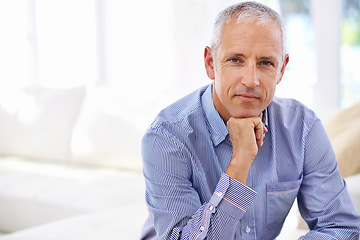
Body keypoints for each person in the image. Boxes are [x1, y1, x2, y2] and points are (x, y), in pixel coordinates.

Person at [140, 2, 360, 239]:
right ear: (211, 63)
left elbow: (341, 228)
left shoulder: (303, 128)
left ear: (282, 69)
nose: (251, 80)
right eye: (236, 59)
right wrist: (240, 161)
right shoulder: (166, 136)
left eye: (266, 63)